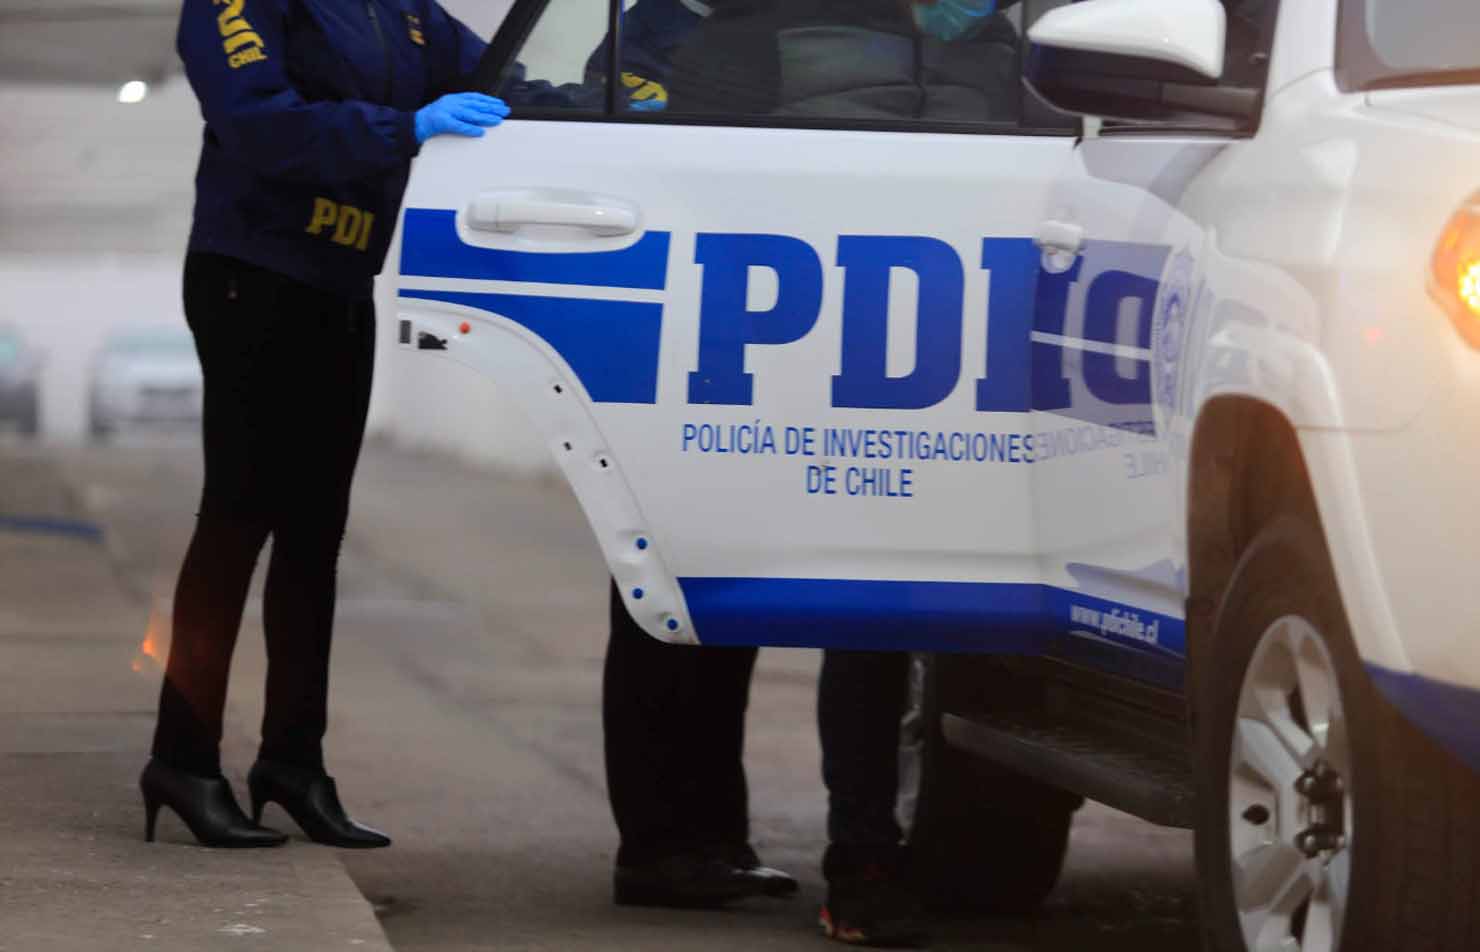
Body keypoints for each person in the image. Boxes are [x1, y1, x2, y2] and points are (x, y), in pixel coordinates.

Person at [665, 0, 1021, 944]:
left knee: (906, 618)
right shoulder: (766, 33)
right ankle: (847, 859)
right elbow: (685, 184)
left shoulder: (997, 45)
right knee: (861, 611)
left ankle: (883, 855)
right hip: (818, 362)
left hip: (973, 369)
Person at [141, 0, 506, 849]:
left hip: (341, 283)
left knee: (315, 536)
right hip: (253, 271)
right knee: (236, 522)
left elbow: (507, 78)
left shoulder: (405, 10)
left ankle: (293, 765)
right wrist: (405, 128)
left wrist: (620, 87)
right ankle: (183, 760)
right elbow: (258, 122)